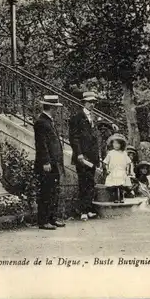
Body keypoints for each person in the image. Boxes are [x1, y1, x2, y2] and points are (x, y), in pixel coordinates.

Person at [33, 95, 66, 230]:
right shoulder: (41, 122)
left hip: (53, 163)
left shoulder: (48, 121)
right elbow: (41, 144)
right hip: (46, 164)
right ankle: (43, 220)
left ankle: (52, 218)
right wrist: (46, 161)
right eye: (56, 108)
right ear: (51, 108)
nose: (57, 111)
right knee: (46, 192)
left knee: (54, 191)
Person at [69, 91, 101, 221]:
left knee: (90, 182)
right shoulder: (77, 117)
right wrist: (79, 154)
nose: (92, 104)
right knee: (83, 183)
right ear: (84, 103)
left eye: (93, 102)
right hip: (82, 156)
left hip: (92, 156)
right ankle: (83, 210)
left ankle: (88, 209)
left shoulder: (94, 117)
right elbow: (74, 138)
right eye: (89, 102)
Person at [102, 133, 132, 203]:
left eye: (118, 144)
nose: (116, 145)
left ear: (121, 144)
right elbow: (105, 162)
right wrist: (107, 169)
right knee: (114, 186)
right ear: (112, 144)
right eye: (114, 143)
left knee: (121, 186)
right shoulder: (110, 153)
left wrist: (127, 171)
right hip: (113, 171)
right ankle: (115, 198)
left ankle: (121, 198)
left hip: (121, 171)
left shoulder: (124, 153)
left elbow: (128, 162)